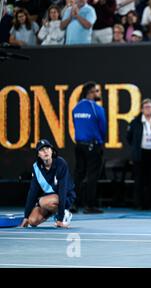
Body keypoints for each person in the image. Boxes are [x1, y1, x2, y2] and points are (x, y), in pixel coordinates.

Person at [20, 139, 76, 228]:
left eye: (47, 148)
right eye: (42, 150)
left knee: (43, 201)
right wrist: (26, 216)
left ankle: (65, 213)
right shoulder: (36, 167)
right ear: (38, 154)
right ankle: (55, 213)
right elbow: (32, 192)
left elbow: (63, 190)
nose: (45, 151)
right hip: (48, 200)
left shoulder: (61, 163)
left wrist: (60, 219)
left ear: (52, 150)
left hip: (65, 197)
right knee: (32, 221)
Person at [72, 82, 106, 214]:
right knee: (92, 176)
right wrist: (99, 141)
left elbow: (76, 125)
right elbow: (103, 128)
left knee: (78, 175)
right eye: (96, 91)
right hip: (93, 145)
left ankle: (73, 204)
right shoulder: (97, 109)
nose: (98, 94)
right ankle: (89, 205)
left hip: (79, 145)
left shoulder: (76, 108)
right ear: (90, 93)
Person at [127, 99, 151, 210]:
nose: (148, 109)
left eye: (150, 107)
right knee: (139, 180)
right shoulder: (135, 122)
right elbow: (129, 138)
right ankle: (138, 204)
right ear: (142, 109)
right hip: (140, 153)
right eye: (146, 107)